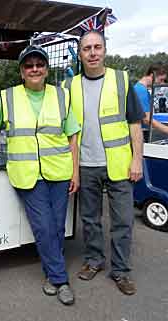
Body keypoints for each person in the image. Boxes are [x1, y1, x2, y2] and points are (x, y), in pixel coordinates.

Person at [0, 45, 80, 305]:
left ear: (46, 69)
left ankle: (51, 274)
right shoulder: (7, 97)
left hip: (59, 171)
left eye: (39, 64)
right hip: (27, 174)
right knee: (44, 227)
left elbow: (73, 135)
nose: (34, 69)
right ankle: (61, 280)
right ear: (21, 72)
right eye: (29, 65)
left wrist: (76, 172)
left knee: (56, 225)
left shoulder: (61, 96)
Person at [64, 30, 144, 295]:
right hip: (86, 165)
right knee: (90, 219)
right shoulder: (69, 86)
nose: (93, 53)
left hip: (120, 164)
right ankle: (94, 260)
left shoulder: (122, 80)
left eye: (97, 47)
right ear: (80, 53)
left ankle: (120, 271)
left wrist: (137, 160)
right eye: (87, 48)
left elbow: (135, 125)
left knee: (123, 221)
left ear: (105, 50)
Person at [134, 63, 168, 140]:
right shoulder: (141, 91)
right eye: (161, 80)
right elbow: (147, 119)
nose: (162, 83)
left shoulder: (142, 89)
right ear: (152, 75)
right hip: (138, 134)